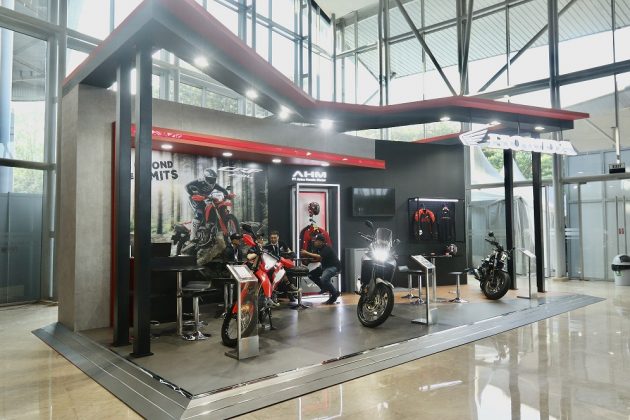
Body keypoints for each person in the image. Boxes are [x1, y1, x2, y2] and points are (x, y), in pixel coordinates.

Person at [185, 168, 234, 243]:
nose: (212, 181)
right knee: (200, 213)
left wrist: (227, 195)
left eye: (213, 179)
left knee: (210, 210)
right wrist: (193, 194)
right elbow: (187, 186)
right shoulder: (199, 181)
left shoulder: (214, 185)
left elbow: (223, 190)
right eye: (210, 179)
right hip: (195, 199)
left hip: (204, 199)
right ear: (205, 178)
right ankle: (193, 237)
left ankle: (209, 230)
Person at [300, 233, 341, 304]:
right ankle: (324, 287)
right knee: (311, 275)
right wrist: (309, 261)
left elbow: (319, 256)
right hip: (325, 267)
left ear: (321, 242)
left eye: (316, 241)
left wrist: (306, 253)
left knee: (324, 279)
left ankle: (334, 294)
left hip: (334, 267)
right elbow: (319, 259)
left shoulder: (326, 248)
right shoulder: (319, 249)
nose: (314, 242)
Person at [265, 231, 299, 301]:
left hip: (283, 263)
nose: (273, 239)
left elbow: (289, 251)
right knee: (282, 271)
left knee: (288, 272)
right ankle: (289, 286)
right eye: (272, 238)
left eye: (275, 238)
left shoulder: (282, 243)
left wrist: (291, 255)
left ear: (278, 237)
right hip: (273, 265)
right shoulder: (267, 246)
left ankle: (291, 293)